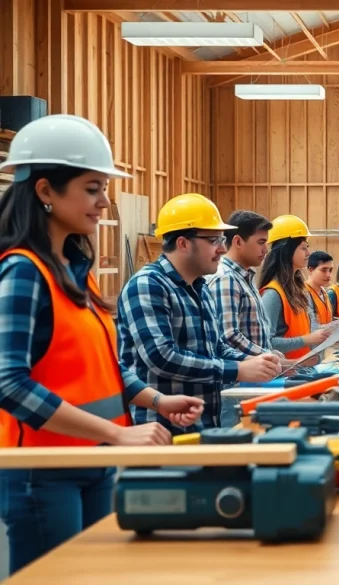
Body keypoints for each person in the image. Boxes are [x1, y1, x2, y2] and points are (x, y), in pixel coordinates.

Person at [0, 114, 204, 575]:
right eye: (93, 189)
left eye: (104, 189)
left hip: (95, 459)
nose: (105, 202)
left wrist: (157, 400)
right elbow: (7, 382)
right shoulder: (24, 271)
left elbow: (100, 365)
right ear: (45, 190)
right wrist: (117, 433)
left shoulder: (74, 272)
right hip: (44, 470)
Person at [118, 193, 281, 435]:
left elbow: (216, 347)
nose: (222, 249)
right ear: (183, 243)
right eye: (214, 240)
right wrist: (237, 369)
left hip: (203, 424)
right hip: (161, 431)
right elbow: (162, 357)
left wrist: (250, 360)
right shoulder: (148, 285)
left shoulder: (200, 288)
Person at [258, 215, 331, 361]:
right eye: (303, 248)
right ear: (287, 250)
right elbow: (267, 343)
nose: (308, 254)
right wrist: (307, 339)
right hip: (287, 372)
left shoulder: (299, 289)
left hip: (303, 368)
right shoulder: (273, 294)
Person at [208, 210, 276, 357]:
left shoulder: (245, 277)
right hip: (241, 370)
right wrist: (267, 356)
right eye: (261, 242)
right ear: (238, 242)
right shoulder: (226, 278)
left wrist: (271, 353)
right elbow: (229, 336)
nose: (266, 250)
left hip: (257, 367)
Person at [305, 251, 335, 325]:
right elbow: (312, 328)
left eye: (330, 270)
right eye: (323, 270)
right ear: (310, 270)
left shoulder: (324, 292)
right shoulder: (303, 295)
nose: (328, 275)